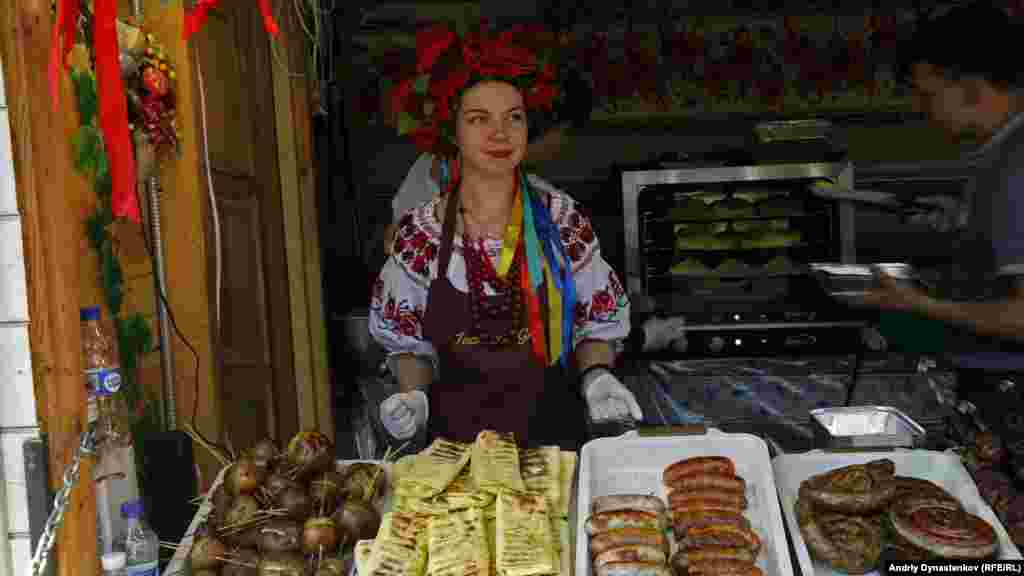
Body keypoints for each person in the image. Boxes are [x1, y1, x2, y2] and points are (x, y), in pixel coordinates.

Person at [369, 23, 646, 449]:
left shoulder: (562, 222)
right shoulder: (421, 237)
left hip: (555, 452)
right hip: (456, 459)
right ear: (453, 132)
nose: (499, 133)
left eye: (513, 117)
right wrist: (414, 396)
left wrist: (597, 376)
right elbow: (410, 345)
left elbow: (595, 325)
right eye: (479, 119)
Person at [857, 3, 1024, 437]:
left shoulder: (1014, 167)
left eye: (926, 94)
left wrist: (917, 303)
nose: (920, 108)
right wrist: (966, 224)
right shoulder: (1000, 158)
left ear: (970, 87)